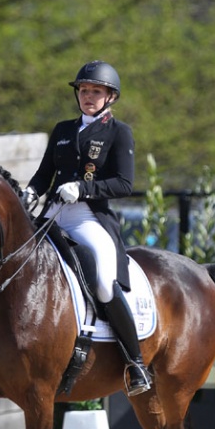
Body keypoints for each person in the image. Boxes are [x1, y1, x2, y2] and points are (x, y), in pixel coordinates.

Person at [22, 60, 151, 396]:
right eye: (84, 90)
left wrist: (83, 188)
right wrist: (31, 191)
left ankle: (135, 362)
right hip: (52, 213)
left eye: (96, 91)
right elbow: (43, 172)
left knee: (105, 285)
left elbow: (124, 183)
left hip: (88, 218)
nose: (88, 96)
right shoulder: (63, 130)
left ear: (110, 97)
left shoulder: (118, 132)